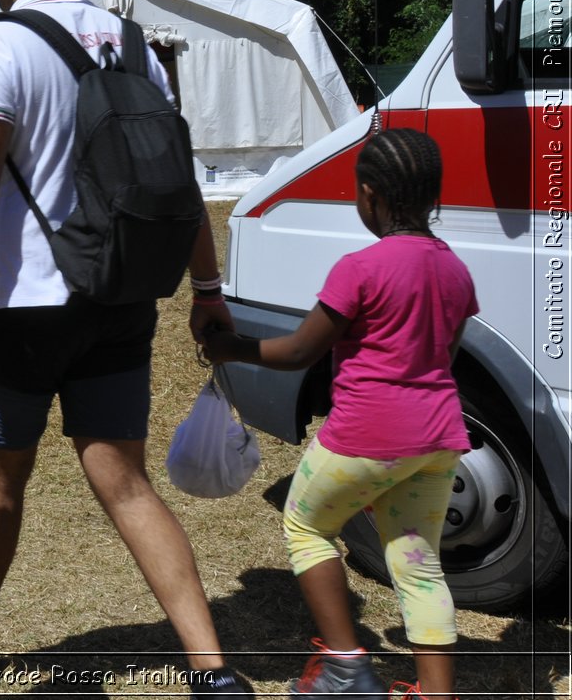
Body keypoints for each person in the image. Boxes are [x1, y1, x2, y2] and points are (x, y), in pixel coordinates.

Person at [0, 0, 249, 697]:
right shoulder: (131, 40)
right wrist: (207, 289)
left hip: (24, 305)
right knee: (125, 481)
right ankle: (212, 670)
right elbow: (181, 176)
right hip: (120, 293)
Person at [201, 129, 473, 699]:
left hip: (365, 434)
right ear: (431, 197)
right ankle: (436, 694)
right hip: (438, 438)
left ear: (369, 194)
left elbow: (301, 350)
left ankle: (345, 667)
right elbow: (443, 357)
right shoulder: (454, 271)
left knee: (306, 526)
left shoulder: (360, 268)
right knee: (418, 563)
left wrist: (233, 348)